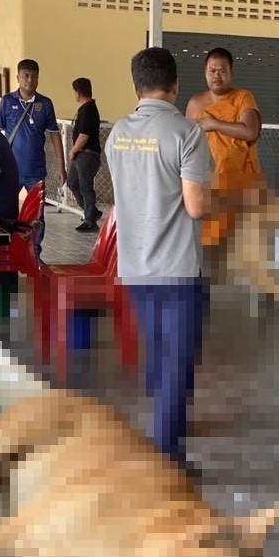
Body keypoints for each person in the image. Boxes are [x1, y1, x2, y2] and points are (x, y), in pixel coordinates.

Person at [105, 48, 213, 471]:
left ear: (137, 88)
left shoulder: (117, 134)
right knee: (176, 362)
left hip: (134, 265)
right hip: (176, 269)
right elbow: (197, 207)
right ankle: (166, 460)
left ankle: (169, 425)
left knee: (158, 353)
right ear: (176, 85)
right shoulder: (187, 134)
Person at [184, 48, 263, 248]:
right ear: (205, 72)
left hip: (238, 185)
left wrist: (214, 124)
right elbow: (185, 144)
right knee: (208, 244)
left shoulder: (243, 97)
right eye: (212, 71)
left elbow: (250, 131)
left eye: (222, 71)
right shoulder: (195, 103)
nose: (216, 76)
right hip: (206, 185)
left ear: (231, 73)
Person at [0, 59, 61, 246]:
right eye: (26, 76)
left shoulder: (45, 104)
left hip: (36, 170)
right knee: (6, 211)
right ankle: (7, 248)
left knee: (37, 213)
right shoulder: (7, 102)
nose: (30, 80)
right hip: (11, 170)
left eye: (34, 76)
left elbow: (55, 134)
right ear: (18, 77)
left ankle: (35, 251)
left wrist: (62, 166)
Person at [66, 77, 102, 232]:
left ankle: (90, 220)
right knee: (72, 182)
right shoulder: (85, 109)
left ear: (78, 92)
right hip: (81, 156)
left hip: (86, 155)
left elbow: (84, 136)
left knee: (85, 186)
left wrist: (73, 150)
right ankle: (91, 211)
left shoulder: (88, 110)